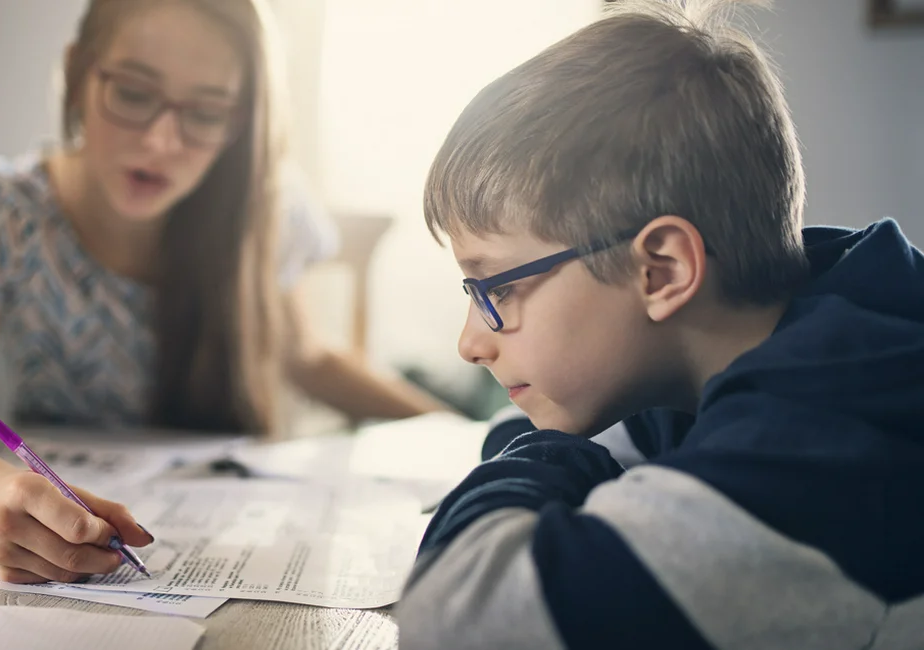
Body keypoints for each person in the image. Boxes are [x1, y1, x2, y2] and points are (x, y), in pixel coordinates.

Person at [395, 0, 924, 647]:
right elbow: (528, 437)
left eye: (497, 287)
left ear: (663, 272)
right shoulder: (741, 361)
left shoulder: (820, 441)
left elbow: (459, 615)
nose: (471, 343)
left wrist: (542, 455)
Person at [0, 0, 445, 585]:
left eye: (206, 112)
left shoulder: (261, 211)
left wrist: (461, 428)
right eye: (135, 94)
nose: (162, 140)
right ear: (76, 74)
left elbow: (310, 358)